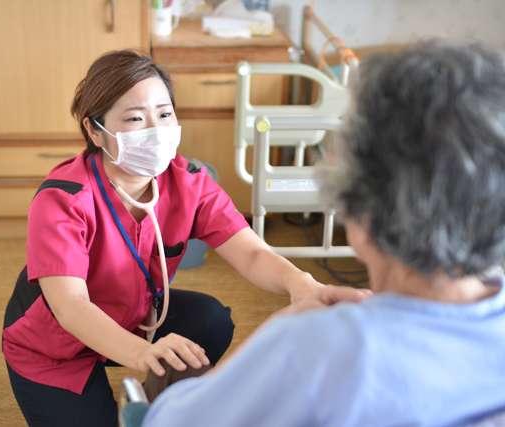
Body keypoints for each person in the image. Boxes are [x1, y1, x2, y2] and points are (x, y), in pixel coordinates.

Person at [141, 39, 505, 427]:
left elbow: (168, 422)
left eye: (164, 114)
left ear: (362, 215)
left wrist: (281, 330)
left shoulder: (314, 350)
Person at [1, 49, 368, 426]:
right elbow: (70, 306)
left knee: (211, 320)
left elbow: (252, 254)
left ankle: (161, 399)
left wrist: (301, 284)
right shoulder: (62, 198)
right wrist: (143, 354)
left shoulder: (189, 181)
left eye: (164, 114)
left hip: (133, 319)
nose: (156, 130)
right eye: (134, 118)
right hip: (54, 347)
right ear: (95, 130)